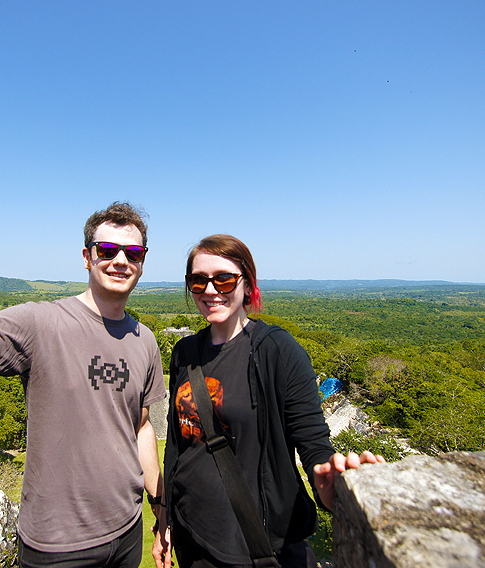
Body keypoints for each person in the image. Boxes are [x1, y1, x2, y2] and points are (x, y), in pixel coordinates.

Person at [162, 234, 384, 568]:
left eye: (223, 279)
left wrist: (326, 480)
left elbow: (312, 441)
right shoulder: (184, 353)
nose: (210, 290)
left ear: (247, 284)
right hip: (191, 537)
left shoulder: (276, 350)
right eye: (198, 281)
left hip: (258, 547)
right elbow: (176, 446)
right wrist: (166, 517)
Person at [0, 202, 170, 568]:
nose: (120, 260)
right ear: (86, 257)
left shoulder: (144, 340)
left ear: (142, 262)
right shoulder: (41, 322)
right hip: (57, 543)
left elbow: (141, 426)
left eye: (133, 252)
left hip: (127, 530)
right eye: (107, 250)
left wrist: (160, 506)